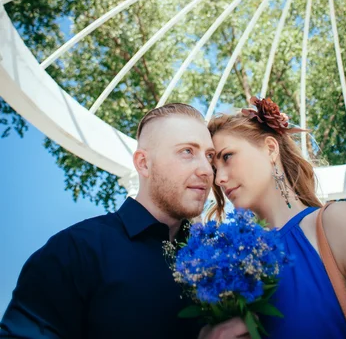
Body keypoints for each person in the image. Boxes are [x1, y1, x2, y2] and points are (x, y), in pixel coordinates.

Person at [0, 103, 249, 339]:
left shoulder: (218, 262)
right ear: (144, 163)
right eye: (187, 151)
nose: (206, 169)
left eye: (209, 156)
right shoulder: (76, 249)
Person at [208, 96, 346, 339]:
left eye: (227, 157)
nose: (218, 179)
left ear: (270, 149)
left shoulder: (339, 224)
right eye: (214, 169)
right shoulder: (237, 264)